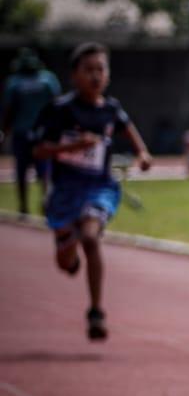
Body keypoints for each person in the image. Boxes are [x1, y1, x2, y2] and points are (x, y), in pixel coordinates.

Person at [31, 42, 152, 341]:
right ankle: (67, 248)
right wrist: (72, 146)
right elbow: (39, 150)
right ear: (74, 75)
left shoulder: (111, 109)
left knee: (90, 238)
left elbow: (129, 131)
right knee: (65, 262)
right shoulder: (60, 110)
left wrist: (143, 155)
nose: (95, 76)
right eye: (88, 70)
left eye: (101, 69)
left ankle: (96, 311)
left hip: (99, 187)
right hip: (65, 192)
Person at [1, 48, 61, 215]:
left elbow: (8, 111)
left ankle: (24, 206)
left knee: (23, 171)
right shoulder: (48, 80)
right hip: (41, 133)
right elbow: (57, 106)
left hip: (23, 132)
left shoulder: (14, 83)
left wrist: (5, 131)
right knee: (44, 171)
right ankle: (46, 203)